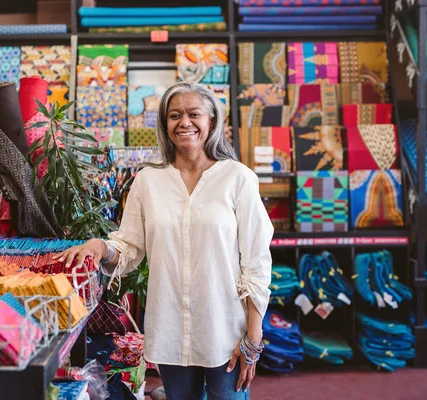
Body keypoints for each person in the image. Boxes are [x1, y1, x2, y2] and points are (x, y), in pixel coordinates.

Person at [57, 82, 273, 399]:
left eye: (193, 114)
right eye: (174, 116)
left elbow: (255, 260)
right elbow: (128, 247)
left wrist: (253, 333)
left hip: (225, 328)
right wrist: (100, 247)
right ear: (164, 123)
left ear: (211, 121)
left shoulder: (237, 178)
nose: (184, 123)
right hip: (171, 327)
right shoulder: (148, 180)